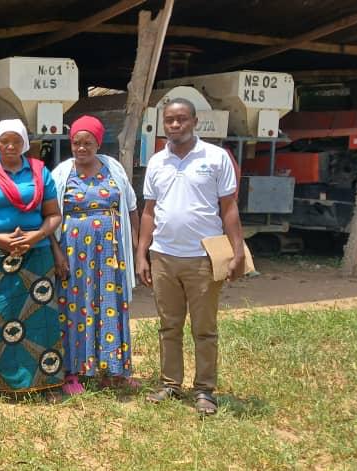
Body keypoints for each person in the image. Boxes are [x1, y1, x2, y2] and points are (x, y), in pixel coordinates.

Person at [136, 98, 245, 415]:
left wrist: (237, 251)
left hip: (203, 257)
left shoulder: (215, 157)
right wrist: (142, 254)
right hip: (163, 256)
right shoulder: (157, 161)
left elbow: (229, 207)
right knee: (168, 326)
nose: (175, 125)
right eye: (169, 120)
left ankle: (205, 390)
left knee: (204, 328)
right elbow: (149, 211)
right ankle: (170, 384)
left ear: (195, 121)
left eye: (181, 119)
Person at [0, 119, 63, 395]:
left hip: (35, 254)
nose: (10, 146)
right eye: (4, 141)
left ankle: (43, 382)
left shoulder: (40, 172)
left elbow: (54, 215)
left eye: (16, 141)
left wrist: (36, 236)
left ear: (24, 143)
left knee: (39, 319)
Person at [51, 116, 140, 395]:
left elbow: (132, 208)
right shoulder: (62, 173)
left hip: (110, 253)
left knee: (110, 303)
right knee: (74, 306)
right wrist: (56, 254)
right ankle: (72, 371)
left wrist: (136, 248)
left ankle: (113, 370)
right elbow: (49, 215)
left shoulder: (114, 170)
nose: (81, 148)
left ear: (98, 143)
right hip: (72, 253)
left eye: (88, 143)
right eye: (76, 142)